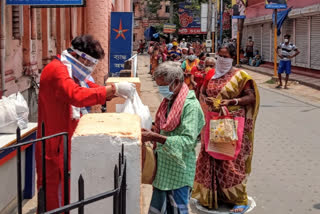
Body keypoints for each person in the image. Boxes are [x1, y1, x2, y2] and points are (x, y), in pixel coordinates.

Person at [36, 35, 136, 211]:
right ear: (81, 57)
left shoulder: (72, 71)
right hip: (55, 142)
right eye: (90, 64)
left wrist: (114, 91)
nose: (90, 68)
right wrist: (113, 89)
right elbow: (76, 95)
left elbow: (90, 88)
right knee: (56, 195)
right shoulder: (58, 70)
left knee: (70, 189)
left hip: (67, 139)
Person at [192, 43, 260, 214]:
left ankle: (239, 198)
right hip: (212, 121)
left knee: (229, 160)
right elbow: (202, 92)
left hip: (230, 122)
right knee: (211, 158)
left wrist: (232, 102)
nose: (222, 59)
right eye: (219, 56)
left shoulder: (240, 76)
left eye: (225, 56)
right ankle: (214, 196)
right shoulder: (211, 74)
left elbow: (250, 97)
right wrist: (206, 100)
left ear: (233, 58)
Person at [142, 61, 205, 214]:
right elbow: (166, 127)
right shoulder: (169, 101)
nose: (160, 89)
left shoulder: (190, 106)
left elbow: (188, 141)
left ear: (176, 82)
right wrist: (153, 130)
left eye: (162, 85)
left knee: (177, 209)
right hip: (163, 169)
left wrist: (156, 137)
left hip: (179, 171)